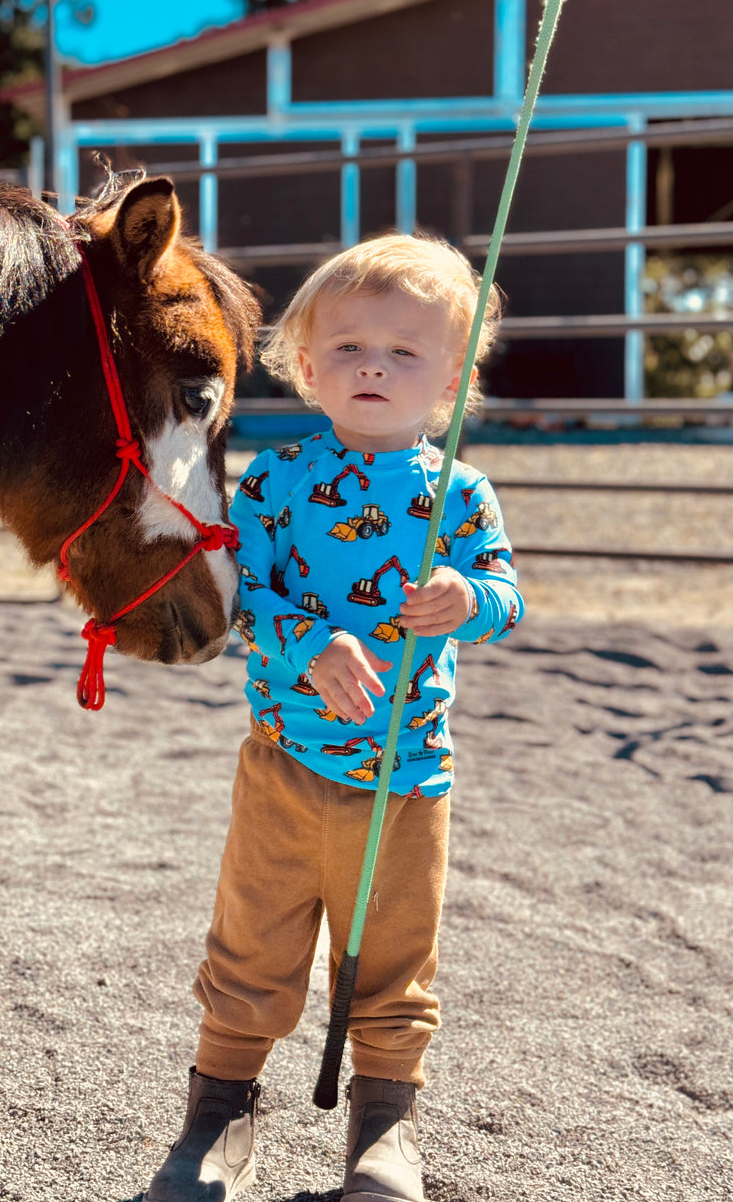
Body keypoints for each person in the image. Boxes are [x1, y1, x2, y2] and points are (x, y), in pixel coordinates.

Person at [145, 234, 524, 1202]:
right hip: (285, 765)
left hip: (409, 779)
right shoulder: (274, 482)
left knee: (395, 957)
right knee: (253, 944)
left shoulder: (460, 493)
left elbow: (506, 595)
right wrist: (311, 642)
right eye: (349, 346)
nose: (373, 365)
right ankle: (218, 1118)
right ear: (307, 366)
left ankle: (385, 1129)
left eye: (404, 351)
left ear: (451, 376)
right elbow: (240, 596)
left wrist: (464, 596)